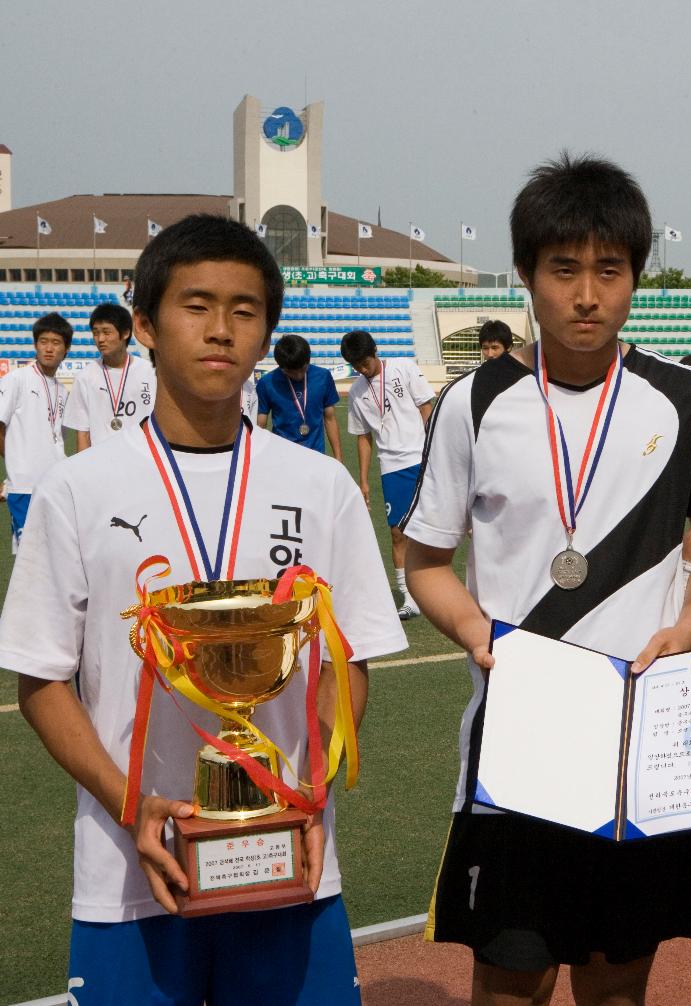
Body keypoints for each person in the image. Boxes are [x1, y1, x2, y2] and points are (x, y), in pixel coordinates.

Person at [0, 214, 407, 1004]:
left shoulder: (319, 486)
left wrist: (308, 795)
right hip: (129, 871)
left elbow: (345, 663)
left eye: (245, 310)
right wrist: (129, 805)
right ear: (145, 324)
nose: (221, 329)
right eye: (196, 305)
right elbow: (43, 681)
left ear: (268, 332)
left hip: (291, 866)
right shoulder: (77, 491)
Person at [402, 154, 691, 1006]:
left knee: (618, 983)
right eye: (563, 270)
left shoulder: (686, 399)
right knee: (509, 980)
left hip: (641, 741)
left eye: (609, 271)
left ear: (635, 279)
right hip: (517, 747)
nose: (587, 294)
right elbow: (424, 562)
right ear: (526, 276)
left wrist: (690, 621)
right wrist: (482, 637)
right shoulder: (474, 402)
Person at [340, 329, 436, 621]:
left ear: (375, 352)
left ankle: (443, 586)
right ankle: (409, 597)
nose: (361, 368)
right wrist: (365, 480)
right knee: (397, 533)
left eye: (364, 362)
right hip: (391, 467)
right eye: (355, 365)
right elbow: (363, 437)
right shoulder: (357, 391)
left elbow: (426, 408)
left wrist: (432, 451)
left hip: (421, 457)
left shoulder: (403, 367)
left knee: (439, 524)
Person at [0, 312, 71, 548]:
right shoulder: (16, 379)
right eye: (43, 341)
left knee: (53, 557)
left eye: (56, 342)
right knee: (28, 560)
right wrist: (15, 464)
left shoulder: (63, 391)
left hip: (54, 486)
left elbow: (58, 438)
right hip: (25, 486)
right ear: (35, 345)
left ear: (66, 349)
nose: (49, 348)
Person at [64, 302, 157, 451]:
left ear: (125, 333)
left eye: (106, 332)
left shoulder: (149, 372)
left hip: (141, 459)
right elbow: (82, 433)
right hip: (102, 463)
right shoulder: (85, 377)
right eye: (95, 333)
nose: (100, 339)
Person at [256, 334, 343, 459]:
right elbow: (261, 425)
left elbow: (330, 418)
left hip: (316, 456)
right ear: (281, 367)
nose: (298, 376)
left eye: (303, 369)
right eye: (292, 372)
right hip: (282, 458)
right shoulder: (267, 383)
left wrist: (338, 458)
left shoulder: (323, 377)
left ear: (308, 360)